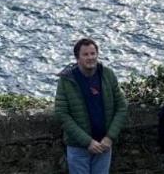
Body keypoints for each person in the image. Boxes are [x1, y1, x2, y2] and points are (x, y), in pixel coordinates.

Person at [54, 38, 128, 174]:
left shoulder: (108, 74)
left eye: (93, 53)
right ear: (77, 58)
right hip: (78, 148)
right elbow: (61, 114)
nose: (90, 57)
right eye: (86, 54)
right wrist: (87, 141)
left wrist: (110, 137)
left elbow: (122, 106)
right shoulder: (67, 80)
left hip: (104, 146)